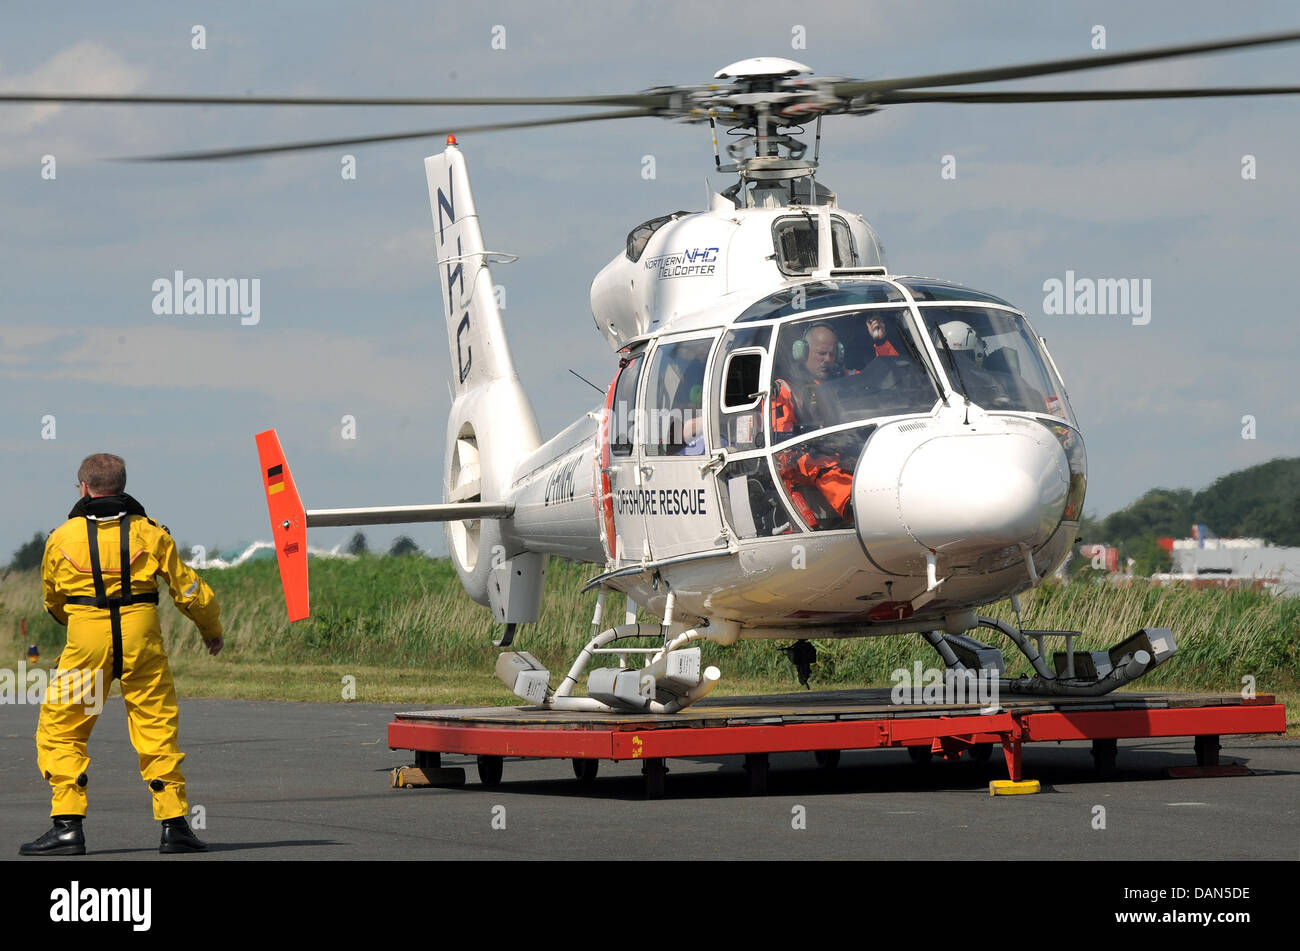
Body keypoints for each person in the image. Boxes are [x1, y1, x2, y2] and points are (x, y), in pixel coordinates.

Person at [20, 453, 222, 856]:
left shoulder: (62, 537)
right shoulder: (150, 532)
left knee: (62, 729)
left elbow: (52, 599)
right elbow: (188, 590)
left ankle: (67, 826)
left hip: (87, 639)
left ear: (83, 487)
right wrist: (210, 629)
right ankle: (174, 826)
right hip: (141, 637)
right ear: (122, 486)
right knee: (156, 728)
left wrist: (76, 621)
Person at [770, 323, 855, 527]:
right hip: (805, 460)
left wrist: (881, 342)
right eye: (821, 353)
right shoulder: (787, 389)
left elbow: (881, 380)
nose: (827, 360)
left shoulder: (845, 381)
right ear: (802, 352)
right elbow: (782, 447)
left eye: (831, 355)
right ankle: (854, 504)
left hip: (843, 449)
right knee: (819, 463)